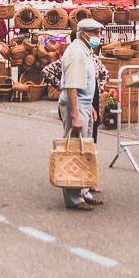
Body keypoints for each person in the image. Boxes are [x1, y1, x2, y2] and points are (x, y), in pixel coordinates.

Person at [58, 18, 104, 211]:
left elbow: (84, 83)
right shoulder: (77, 53)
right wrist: (76, 114)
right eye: (96, 33)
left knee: (84, 149)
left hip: (84, 105)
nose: (99, 37)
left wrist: (90, 106)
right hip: (76, 106)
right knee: (75, 150)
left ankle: (83, 190)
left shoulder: (84, 50)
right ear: (85, 34)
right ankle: (74, 198)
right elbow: (72, 87)